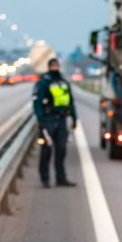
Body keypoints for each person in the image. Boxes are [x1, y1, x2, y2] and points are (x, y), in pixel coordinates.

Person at [32, 58, 77, 188]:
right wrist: (41, 120)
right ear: (49, 66)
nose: (55, 67)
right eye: (53, 65)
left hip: (62, 120)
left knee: (61, 150)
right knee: (46, 150)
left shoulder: (63, 82)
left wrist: (74, 118)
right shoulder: (43, 83)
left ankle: (61, 178)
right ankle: (45, 179)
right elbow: (37, 103)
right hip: (48, 120)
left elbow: (70, 101)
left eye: (56, 65)